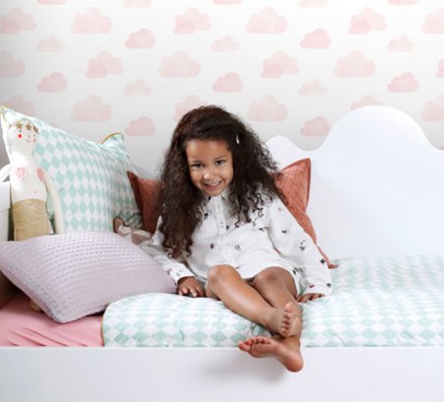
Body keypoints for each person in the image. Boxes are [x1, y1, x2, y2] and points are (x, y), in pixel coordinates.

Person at [142, 105, 331, 372]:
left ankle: (290, 345)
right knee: (219, 273)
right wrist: (182, 276)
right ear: (184, 166)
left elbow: (296, 241)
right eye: (198, 165)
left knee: (269, 277)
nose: (209, 175)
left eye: (219, 162)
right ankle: (270, 318)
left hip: (269, 270)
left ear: (235, 159)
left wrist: (316, 282)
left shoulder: (259, 196)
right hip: (223, 283)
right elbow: (156, 250)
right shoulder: (179, 208)